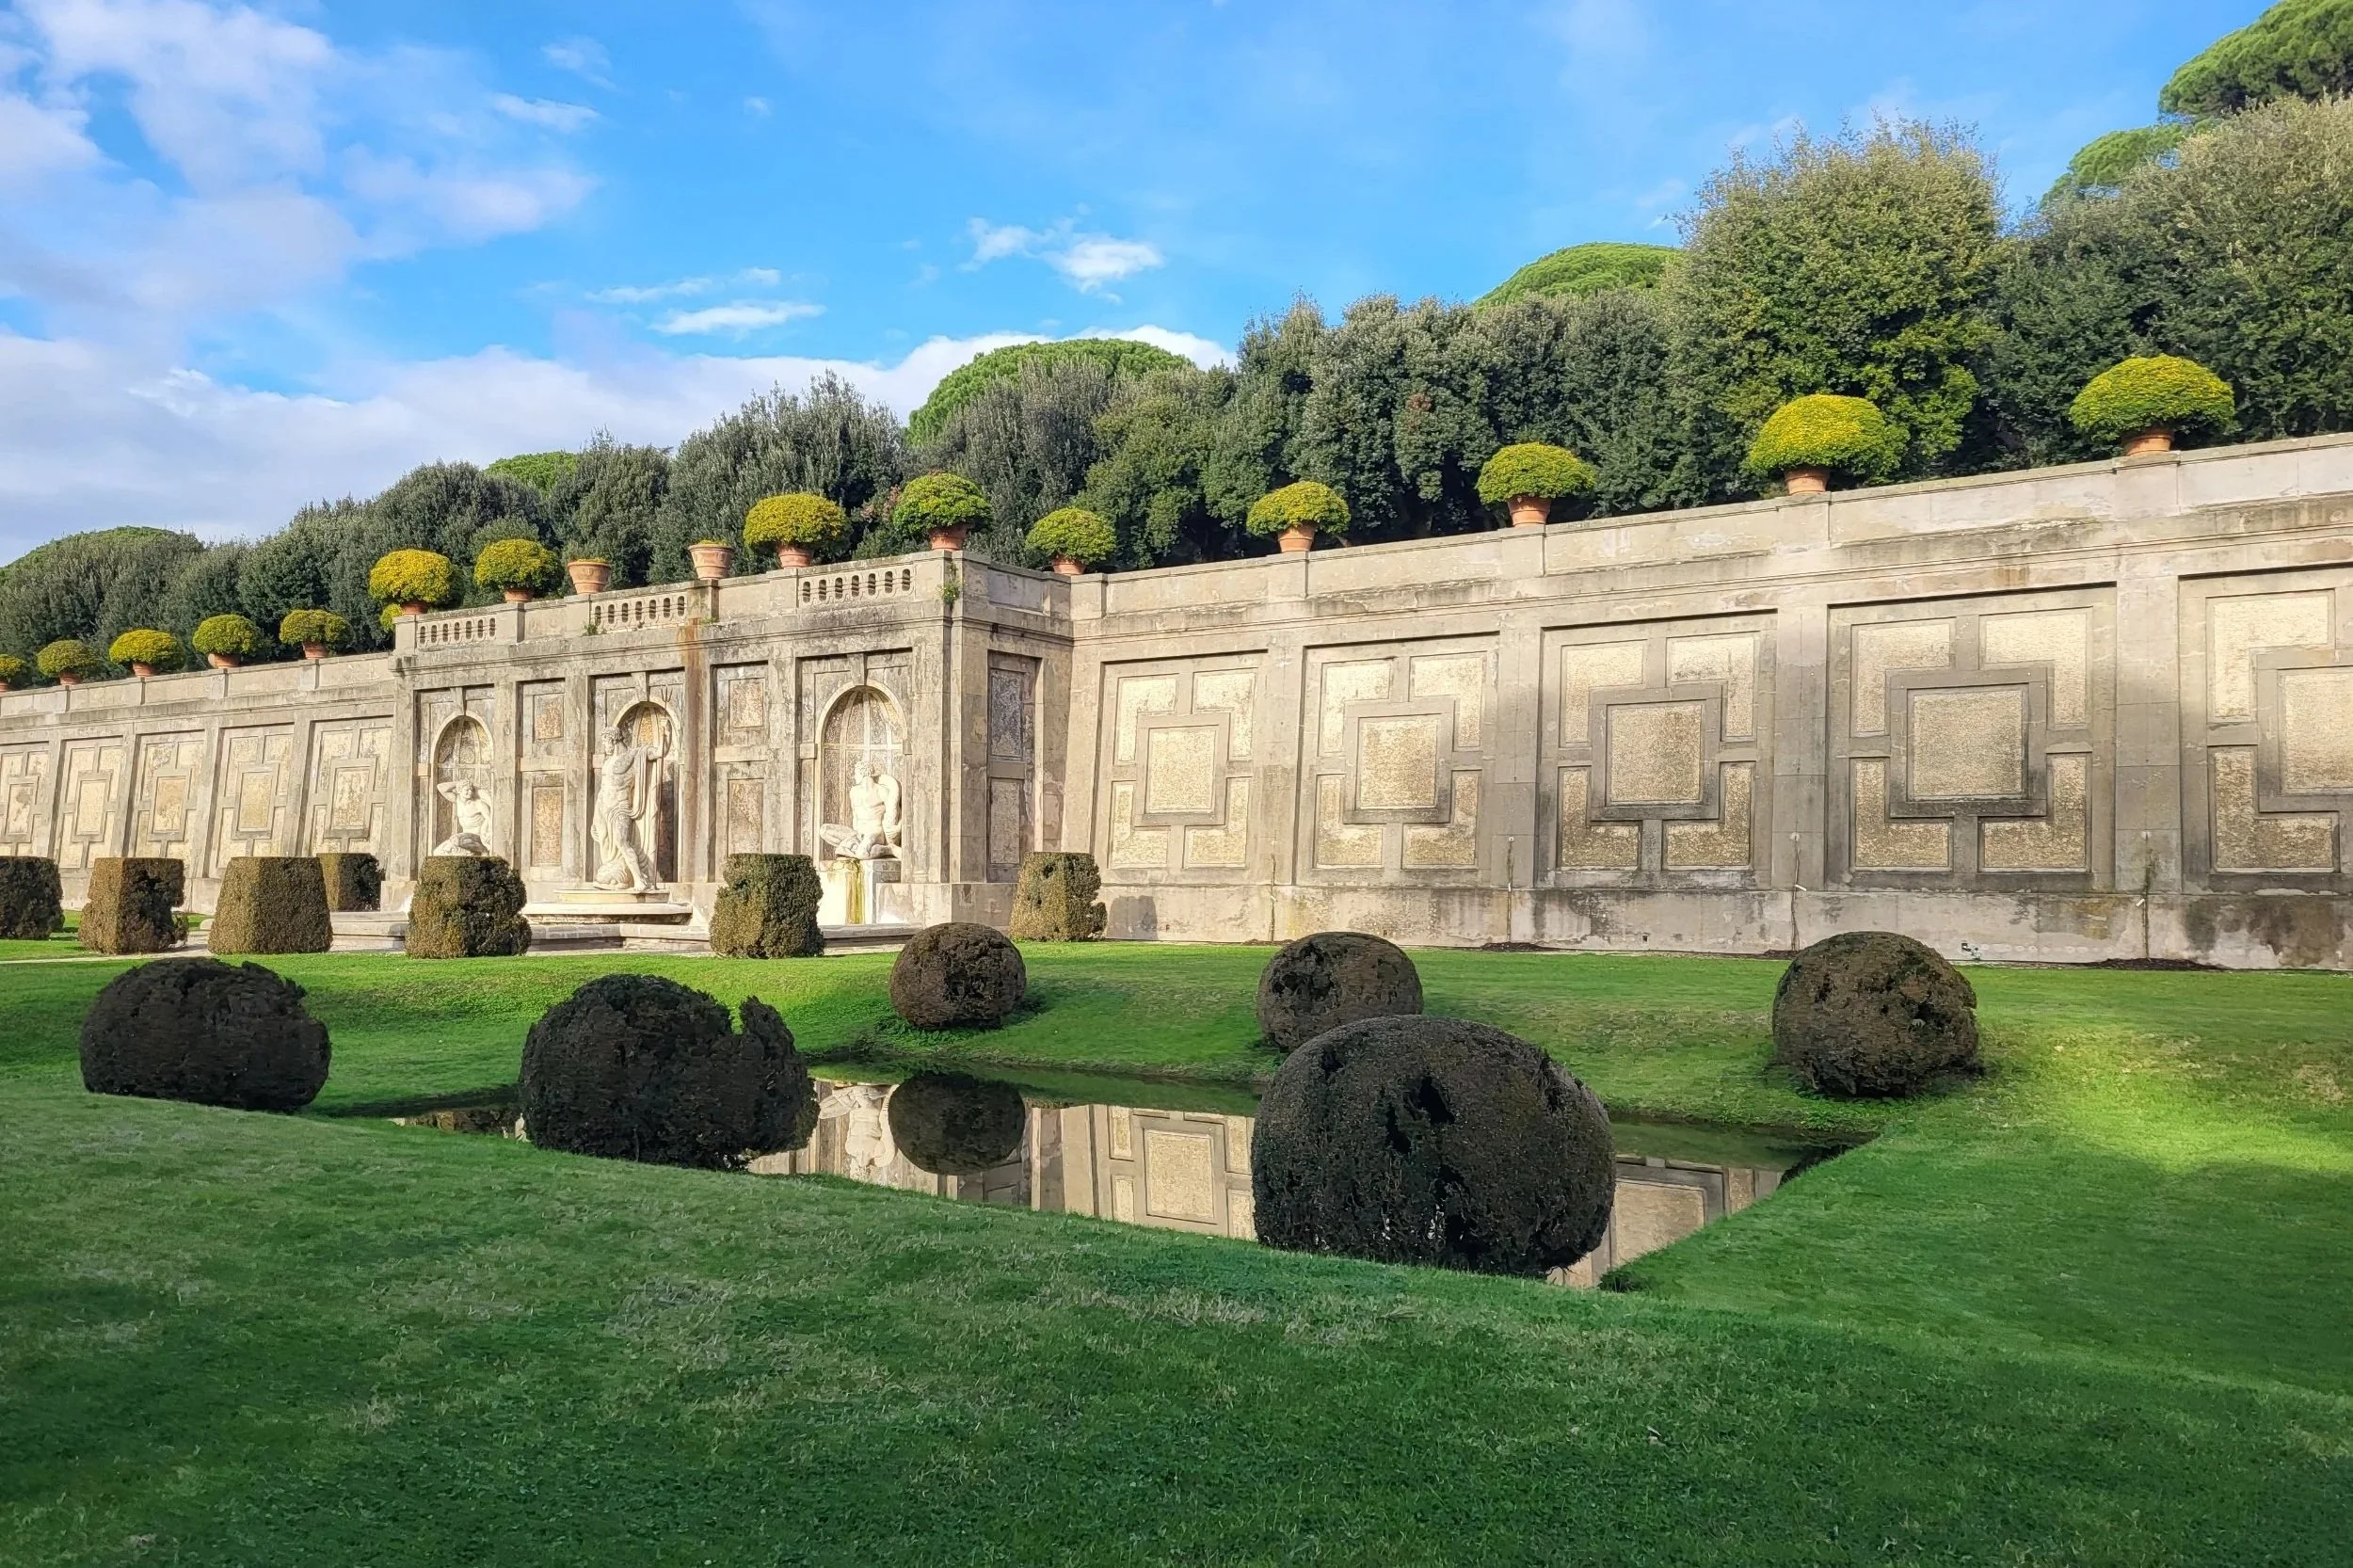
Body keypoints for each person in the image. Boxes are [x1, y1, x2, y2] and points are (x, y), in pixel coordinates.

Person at [591, 717, 667, 891]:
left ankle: (640, 879)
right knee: (606, 846)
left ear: (613, 740)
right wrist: (596, 815)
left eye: (605, 743)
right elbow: (603, 789)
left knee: (622, 841)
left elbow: (660, 753)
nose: (604, 747)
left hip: (621, 808)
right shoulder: (608, 762)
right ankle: (618, 879)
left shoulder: (635, 755)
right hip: (604, 809)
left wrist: (664, 732)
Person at [819, 759, 902, 860]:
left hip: (875, 832)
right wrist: (856, 834)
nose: (854, 776)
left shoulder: (881, 791)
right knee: (824, 831)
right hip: (857, 834)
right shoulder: (854, 792)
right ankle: (857, 847)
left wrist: (897, 829)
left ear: (863, 773)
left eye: (856, 773)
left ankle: (889, 849)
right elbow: (855, 815)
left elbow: (894, 813)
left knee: (862, 854)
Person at [431, 779, 493, 856]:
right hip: (465, 839)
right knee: (437, 852)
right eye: (467, 790)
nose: (470, 792)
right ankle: (470, 854)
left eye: (471, 789)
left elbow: (490, 819)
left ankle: (482, 850)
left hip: (478, 838)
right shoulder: (457, 800)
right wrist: (459, 783)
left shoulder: (478, 803)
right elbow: (440, 787)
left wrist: (490, 833)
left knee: (456, 841)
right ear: (459, 790)